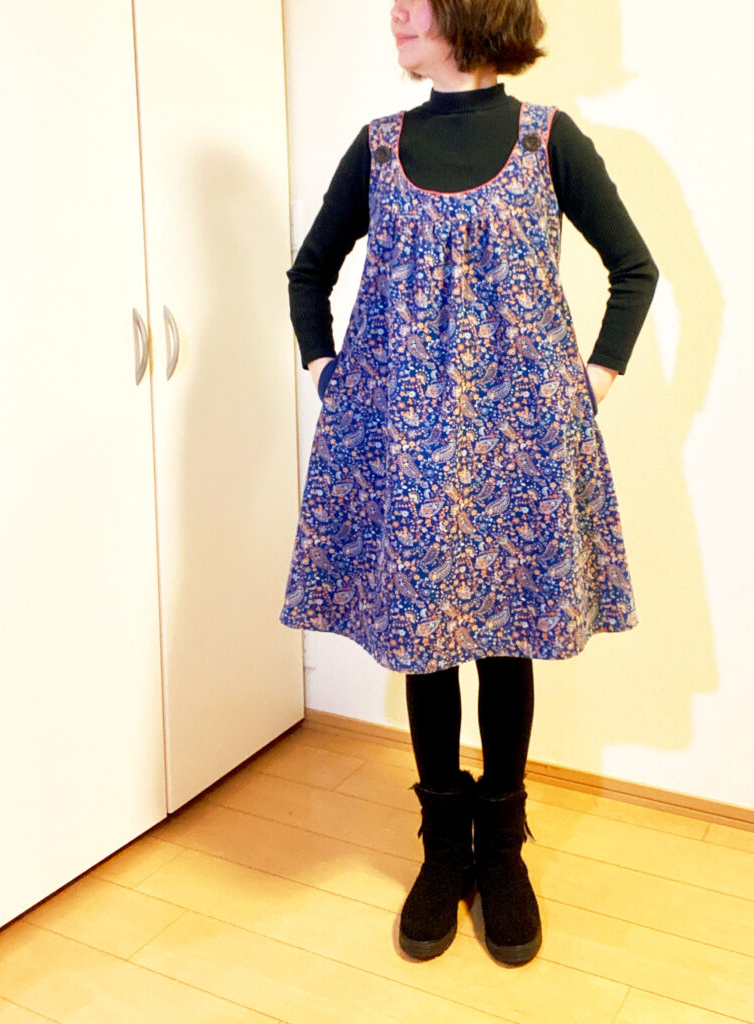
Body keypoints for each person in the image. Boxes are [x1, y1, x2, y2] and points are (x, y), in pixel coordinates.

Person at [279, 0, 658, 967]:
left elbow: (634, 269)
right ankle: (443, 845)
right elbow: (308, 274)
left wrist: (588, 383)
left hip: (519, 453)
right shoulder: (378, 148)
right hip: (408, 451)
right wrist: (331, 374)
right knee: (426, 645)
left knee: (506, 640)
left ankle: (503, 848)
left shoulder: (547, 139)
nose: (396, 12)